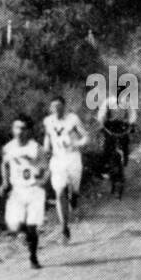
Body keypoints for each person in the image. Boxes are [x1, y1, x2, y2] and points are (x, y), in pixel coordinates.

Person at [0, 115, 49, 269]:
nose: (19, 131)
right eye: (16, 128)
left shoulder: (36, 148)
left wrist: (42, 180)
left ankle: (33, 257)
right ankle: (26, 235)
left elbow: (46, 168)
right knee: (14, 226)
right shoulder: (8, 147)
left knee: (32, 225)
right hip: (17, 190)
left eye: (23, 128)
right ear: (12, 129)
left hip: (34, 189)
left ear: (29, 131)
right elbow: (4, 164)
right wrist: (5, 182)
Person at [43, 96, 88, 242]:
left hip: (73, 158)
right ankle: (64, 228)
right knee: (60, 191)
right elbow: (48, 137)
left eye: (59, 107)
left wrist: (77, 144)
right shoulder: (48, 121)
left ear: (64, 107)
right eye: (54, 107)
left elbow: (86, 136)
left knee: (74, 189)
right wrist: (46, 148)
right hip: (57, 160)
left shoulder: (73, 119)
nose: (57, 110)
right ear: (50, 109)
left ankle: (75, 195)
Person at [96, 92, 138, 168]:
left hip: (122, 126)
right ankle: (106, 164)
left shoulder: (127, 102)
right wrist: (101, 123)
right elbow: (102, 113)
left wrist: (131, 123)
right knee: (108, 145)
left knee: (125, 144)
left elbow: (132, 113)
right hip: (110, 126)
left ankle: (125, 161)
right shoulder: (108, 101)